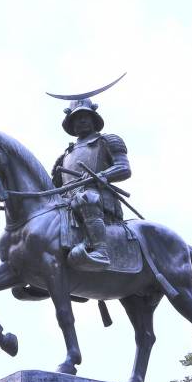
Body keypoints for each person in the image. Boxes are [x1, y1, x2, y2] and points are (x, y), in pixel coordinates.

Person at [51, 98, 131, 271]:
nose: (81, 121)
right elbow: (54, 188)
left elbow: (124, 168)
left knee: (86, 197)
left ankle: (100, 250)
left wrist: (101, 175)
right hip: (69, 203)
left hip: (98, 199)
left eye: (85, 116)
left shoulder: (107, 140)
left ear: (94, 119)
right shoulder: (65, 155)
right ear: (70, 124)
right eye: (76, 118)